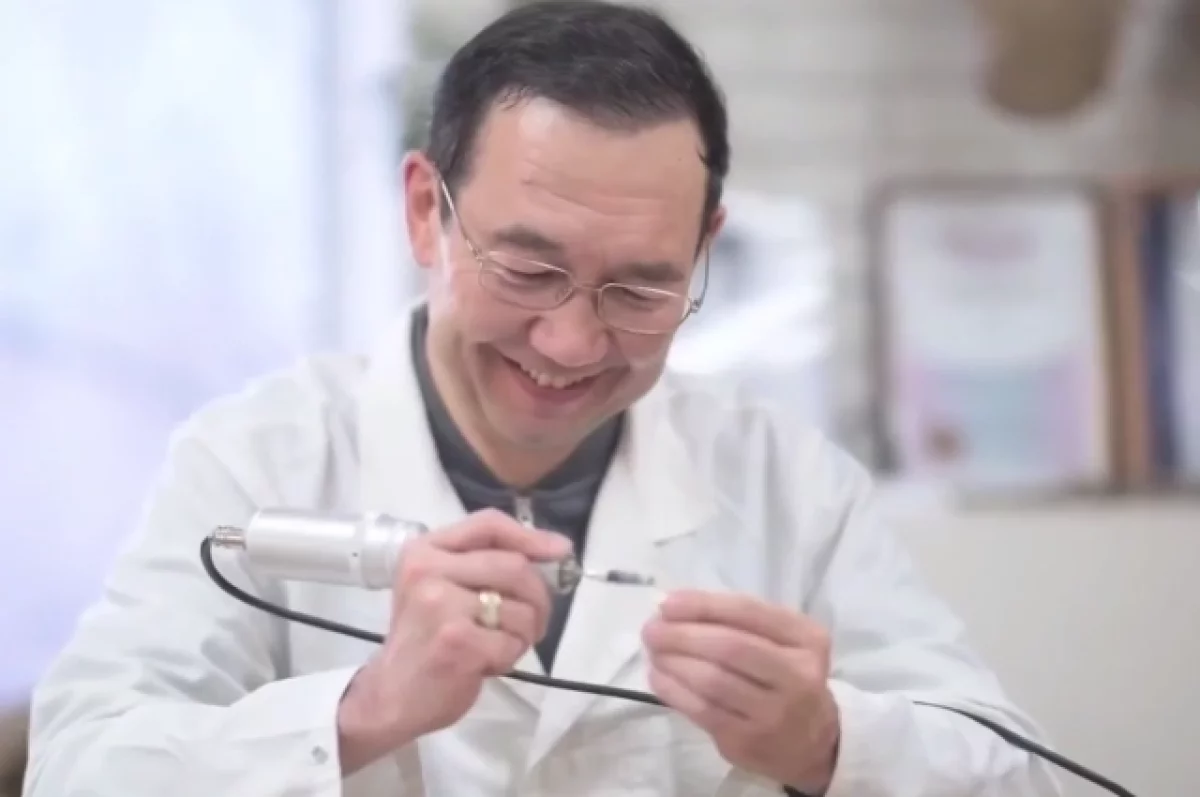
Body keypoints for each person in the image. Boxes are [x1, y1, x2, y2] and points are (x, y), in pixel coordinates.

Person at [23, 2, 1061, 795]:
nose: (570, 342)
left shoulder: (789, 486)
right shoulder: (255, 458)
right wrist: (363, 710)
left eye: (640, 289)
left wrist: (827, 740)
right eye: (526, 270)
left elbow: (1023, 774)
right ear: (425, 212)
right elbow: (77, 767)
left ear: (704, 248)